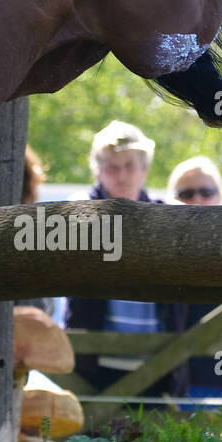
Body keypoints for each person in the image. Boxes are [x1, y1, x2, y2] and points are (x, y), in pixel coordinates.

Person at [64, 122, 164, 394]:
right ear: (97, 171)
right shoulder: (78, 209)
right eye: (112, 167)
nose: (121, 175)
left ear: (145, 169)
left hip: (158, 357)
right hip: (92, 356)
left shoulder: (165, 216)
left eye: (130, 165)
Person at [160, 156, 222, 403]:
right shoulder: (159, 250)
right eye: (186, 193)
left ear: (220, 195)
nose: (197, 200)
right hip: (174, 386)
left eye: (206, 192)